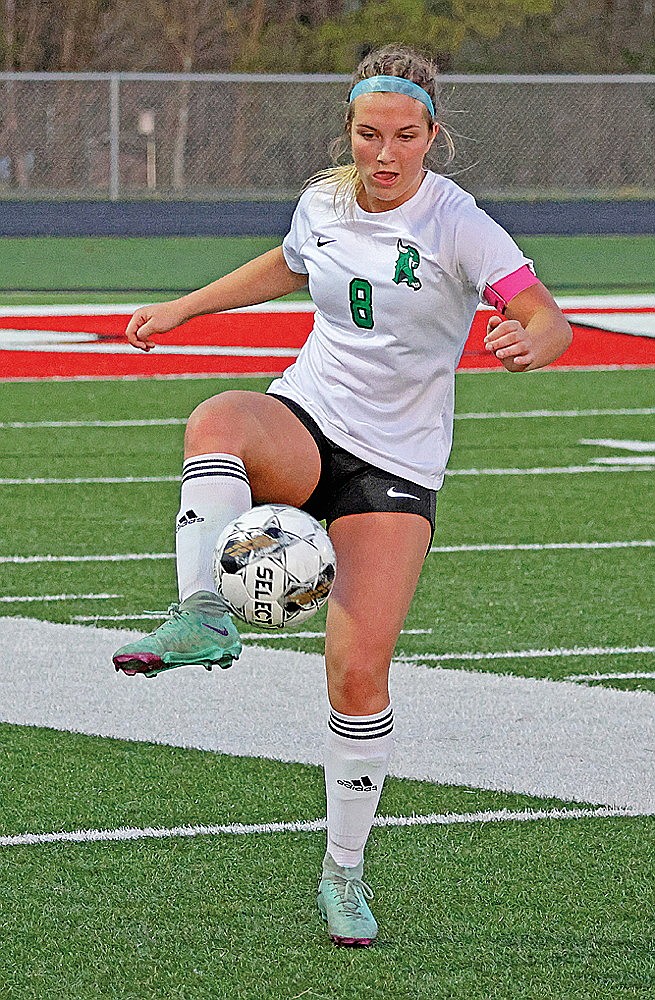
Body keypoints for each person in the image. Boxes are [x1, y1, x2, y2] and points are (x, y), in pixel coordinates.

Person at [113, 44, 572, 947]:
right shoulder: (324, 198)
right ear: (350, 133)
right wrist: (185, 308)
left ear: (432, 137)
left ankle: (344, 873)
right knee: (219, 419)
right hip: (310, 422)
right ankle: (203, 610)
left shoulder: (459, 223)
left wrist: (536, 342)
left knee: (357, 673)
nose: (385, 152)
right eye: (369, 134)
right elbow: (288, 265)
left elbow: (541, 311)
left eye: (405, 136)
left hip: (393, 468)